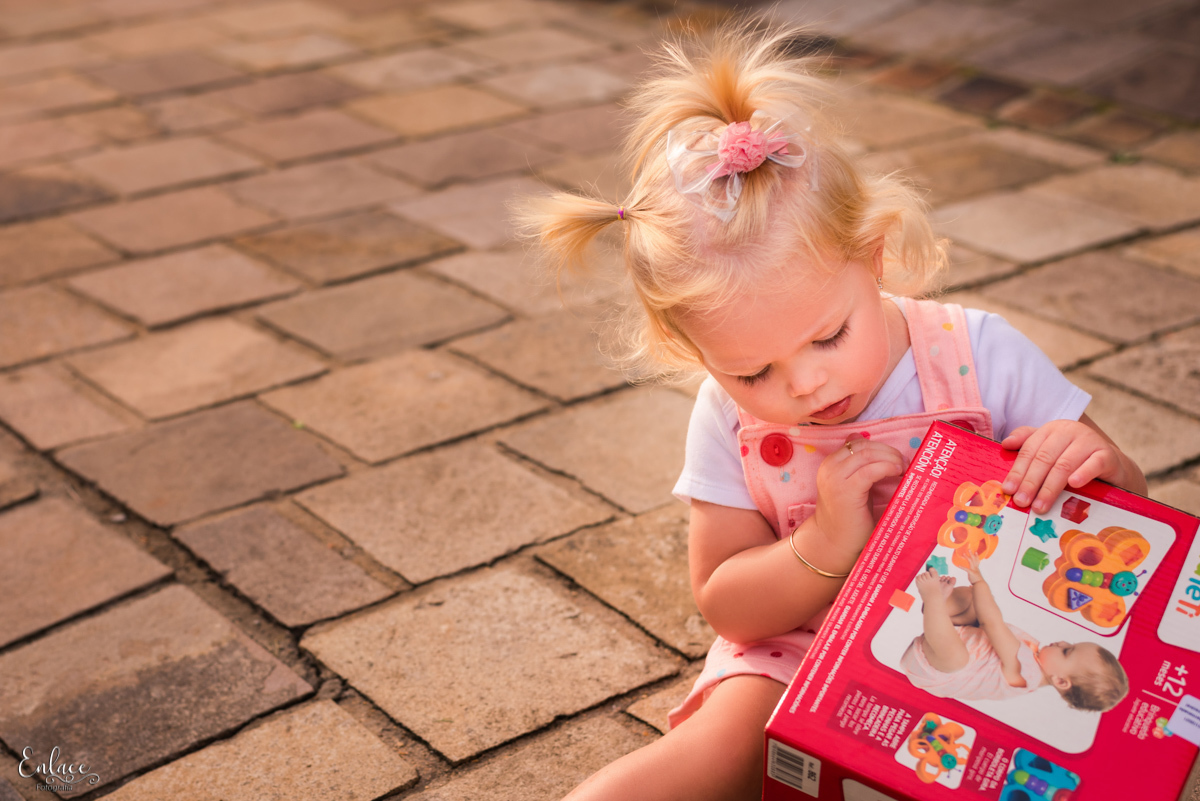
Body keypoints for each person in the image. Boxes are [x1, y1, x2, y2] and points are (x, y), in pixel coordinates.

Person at [518, 21, 1146, 801]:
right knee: (724, 746)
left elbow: (1133, 504)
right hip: (801, 651)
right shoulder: (728, 419)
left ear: (874, 256)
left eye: (829, 335)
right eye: (752, 370)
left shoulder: (979, 353)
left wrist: (1092, 464)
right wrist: (823, 542)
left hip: (983, 649)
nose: (806, 388)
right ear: (694, 352)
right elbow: (730, 604)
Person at [903, 551, 1128, 710]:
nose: (1061, 643)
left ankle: (933, 598)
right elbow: (982, 624)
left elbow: (992, 623)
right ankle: (938, 610)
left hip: (935, 669)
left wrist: (979, 580)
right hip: (954, 641)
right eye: (1070, 644)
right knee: (973, 602)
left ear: (1060, 681)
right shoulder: (1033, 654)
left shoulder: (1027, 672)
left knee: (958, 656)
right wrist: (974, 595)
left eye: (1067, 651)